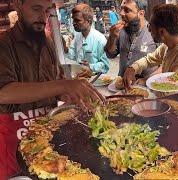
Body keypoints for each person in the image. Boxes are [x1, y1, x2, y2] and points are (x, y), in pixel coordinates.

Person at [0, 0, 104, 178]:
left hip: (47, 138)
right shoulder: (3, 44)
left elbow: (56, 86)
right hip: (13, 141)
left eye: (47, 11)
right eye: (36, 9)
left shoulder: (48, 44)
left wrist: (73, 95)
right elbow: (4, 93)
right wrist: (64, 85)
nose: (43, 17)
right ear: (18, 5)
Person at [123, 4, 178, 89]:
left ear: (162, 32)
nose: (148, 30)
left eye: (150, 26)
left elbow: (172, 87)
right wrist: (132, 68)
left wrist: (146, 85)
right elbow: (148, 60)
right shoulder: (166, 46)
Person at [105, 0, 157, 77]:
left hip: (145, 86)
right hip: (121, 85)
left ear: (141, 14)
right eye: (121, 9)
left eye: (127, 10)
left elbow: (165, 64)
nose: (121, 13)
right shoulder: (121, 30)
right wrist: (112, 37)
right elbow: (110, 55)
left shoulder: (155, 32)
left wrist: (144, 80)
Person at [66, 4, 109, 73]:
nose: (73, 23)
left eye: (77, 20)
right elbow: (71, 56)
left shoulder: (100, 39)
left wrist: (91, 67)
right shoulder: (77, 37)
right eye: (73, 20)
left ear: (88, 22)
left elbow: (105, 65)